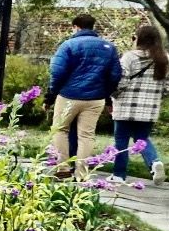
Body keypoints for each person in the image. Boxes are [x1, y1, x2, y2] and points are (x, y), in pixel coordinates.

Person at [47, 13, 122, 178]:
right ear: (92, 26)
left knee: (60, 130)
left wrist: (51, 94)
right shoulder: (108, 47)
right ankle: (82, 174)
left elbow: (57, 72)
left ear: (75, 27)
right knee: (86, 136)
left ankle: (63, 168)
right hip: (95, 99)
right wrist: (104, 91)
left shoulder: (68, 45)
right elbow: (115, 75)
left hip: (68, 96)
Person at [110, 24, 169, 182]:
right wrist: (156, 96)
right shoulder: (166, 59)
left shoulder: (130, 57)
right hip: (150, 108)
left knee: (121, 141)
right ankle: (155, 162)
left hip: (125, 107)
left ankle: (119, 176)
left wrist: (113, 94)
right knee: (142, 138)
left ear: (138, 38)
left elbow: (121, 81)